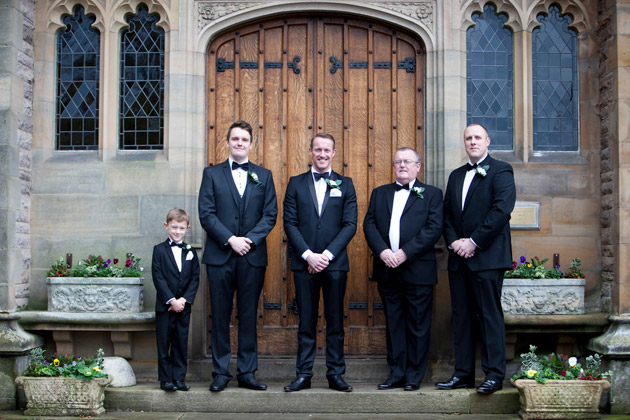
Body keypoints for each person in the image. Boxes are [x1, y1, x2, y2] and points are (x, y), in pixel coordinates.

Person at [198, 120, 278, 392]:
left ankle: (247, 372)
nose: (240, 143)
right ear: (228, 142)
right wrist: (230, 239)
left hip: (252, 257)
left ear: (251, 143)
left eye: (245, 139)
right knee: (220, 315)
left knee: (247, 315)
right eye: (235, 139)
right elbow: (206, 214)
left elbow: (270, 215)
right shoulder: (211, 174)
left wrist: (250, 241)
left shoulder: (264, 176)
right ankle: (220, 372)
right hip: (220, 255)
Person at [437, 123, 516, 394]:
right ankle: (463, 374)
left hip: (488, 258)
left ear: (487, 141)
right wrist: (455, 243)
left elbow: (501, 210)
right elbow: (446, 214)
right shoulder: (456, 175)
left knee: (489, 316)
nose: (472, 142)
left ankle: (494, 375)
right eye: (468, 138)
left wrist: (473, 242)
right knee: (461, 317)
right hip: (459, 259)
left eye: (477, 137)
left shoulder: (501, 170)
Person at [363, 147, 443, 391]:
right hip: (388, 268)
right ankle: (396, 372)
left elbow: (433, 228)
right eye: (398, 162)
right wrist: (384, 252)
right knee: (394, 323)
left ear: (418, 166)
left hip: (417, 269)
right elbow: (369, 225)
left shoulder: (432, 194)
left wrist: (405, 253)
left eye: (407, 162)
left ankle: (414, 376)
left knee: (418, 324)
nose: (402, 166)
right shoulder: (380, 193)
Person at [283, 133, 357, 392]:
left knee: (335, 322)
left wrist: (325, 256)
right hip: (304, 264)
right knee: (306, 322)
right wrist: (308, 255)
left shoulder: (345, 184)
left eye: (327, 150)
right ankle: (303, 374)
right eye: (318, 149)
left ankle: (335, 374)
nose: (322, 154)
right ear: (310, 151)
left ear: (334, 153)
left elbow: (350, 225)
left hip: (334, 265)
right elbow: (290, 223)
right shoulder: (295, 183)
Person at [151, 208, 200, 392]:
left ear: (187, 228)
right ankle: (166, 379)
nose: (177, 231)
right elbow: (158, 277)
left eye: (181, 228)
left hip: (183, 307)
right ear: (166, 226)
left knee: (181, 342)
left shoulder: (191, 252)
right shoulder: (159, 250)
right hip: (165, 307)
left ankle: (179, 378)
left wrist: (183, 300)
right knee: (164, 343)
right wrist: (171, 300)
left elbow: (195, 278)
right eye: (174, 227)